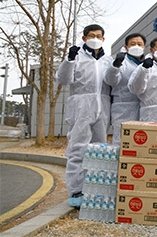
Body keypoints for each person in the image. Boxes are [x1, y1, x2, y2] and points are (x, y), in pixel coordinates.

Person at [55, 24, 112, 208]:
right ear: (84, 37)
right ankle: (76, 191)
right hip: (80, 106)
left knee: (100, 149)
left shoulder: (107, 60)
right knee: (78, 148)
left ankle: (96, 188)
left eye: (98, 35)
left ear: (103, 39)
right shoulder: (77, 57)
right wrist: (69, 60)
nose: (95, 38)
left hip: (102, 106)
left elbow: (112, 82)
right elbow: (63, 79)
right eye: (91, 35)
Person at [104, 33, 146, 145]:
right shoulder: (122, 62)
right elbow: (111, 81)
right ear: (126, 47)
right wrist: (115, 66)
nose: (136, 46)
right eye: (133, 44)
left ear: (144, 47)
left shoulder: (148, 63)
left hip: (143, 107)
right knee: (122, 142)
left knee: (141, 142)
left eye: (139, 44)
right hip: (123, 108)